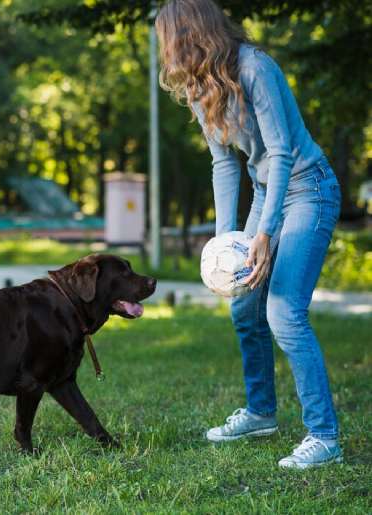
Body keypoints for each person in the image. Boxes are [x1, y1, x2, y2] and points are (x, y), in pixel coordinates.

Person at [155, 0, 343, 469]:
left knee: (283, 311)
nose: (167, 52)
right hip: (266, 189)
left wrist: (263, 233)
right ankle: (261, 412)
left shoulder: (255, 67)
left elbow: (279, 153)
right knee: (244, 304)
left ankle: (324, 436)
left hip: (309, 188)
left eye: (169, 39)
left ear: (191, 34)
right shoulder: (199, 89)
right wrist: (226, 243)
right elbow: (224, 164)